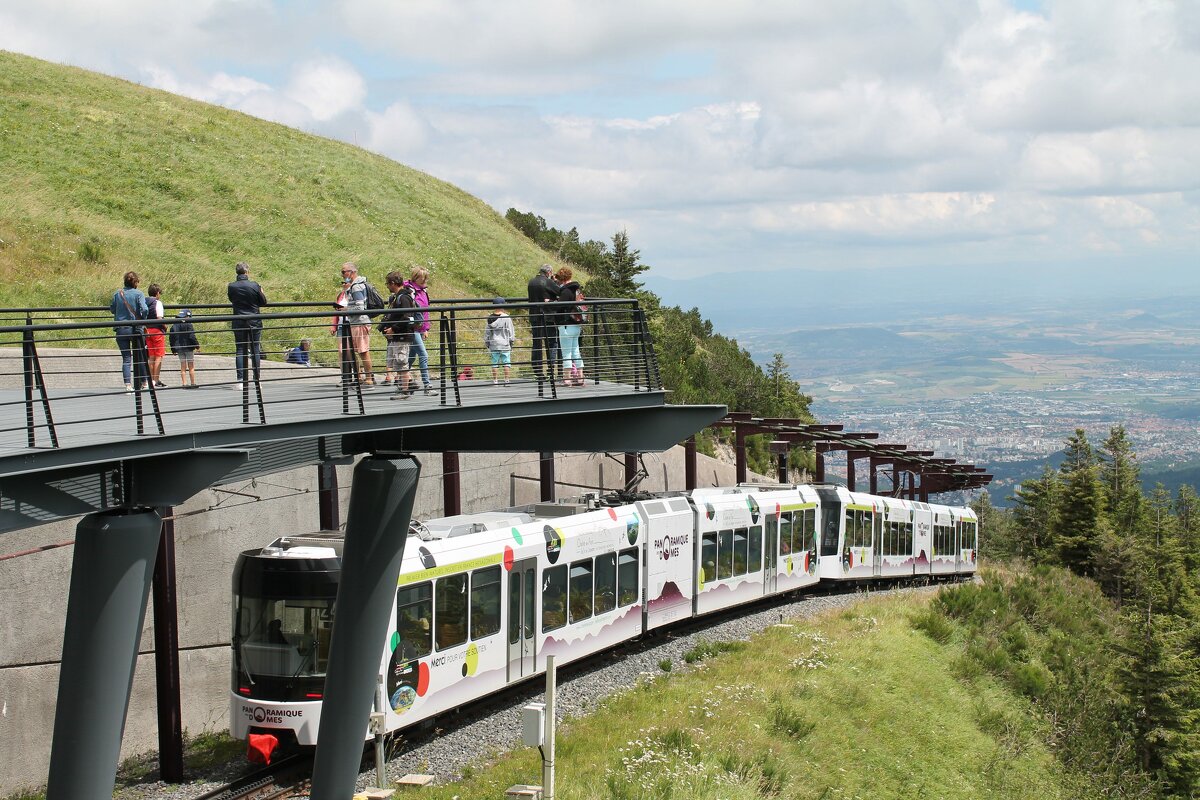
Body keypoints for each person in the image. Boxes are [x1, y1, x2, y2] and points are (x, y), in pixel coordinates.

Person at [329, 262, 374, 386]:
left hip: (359, 322)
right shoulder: (354, 286)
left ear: (352, 272)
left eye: (344, 272)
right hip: (355, 322)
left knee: (363, 351)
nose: (342, 275)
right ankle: (359, 377)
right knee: (354, 351)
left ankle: (369, 378)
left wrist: (345, 310)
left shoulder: (356, 287)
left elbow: (359, 307)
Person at [227, 262, 268, 391]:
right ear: (247, 272)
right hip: (254, 321)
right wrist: (261, 292)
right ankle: (257, 380)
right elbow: (264, 302)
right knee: (255, 349)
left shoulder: (231, 286)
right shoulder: (255, 285)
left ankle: (240, 380)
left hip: (238, 320)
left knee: (240, 349)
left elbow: (232, 300)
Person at [381, 271, 417, 399]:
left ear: (393, 283)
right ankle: (409, 383)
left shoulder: (404, 297)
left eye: (387, 283)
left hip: (402, 335)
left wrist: (394, 329)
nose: (387, 286)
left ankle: (404, 390)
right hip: (398, 335)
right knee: (398, 362)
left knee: (402, 362)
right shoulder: (398, 297)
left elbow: (407, 317)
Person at [110, 271, 149, 392]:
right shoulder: (139, 294)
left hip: (121, 329)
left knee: (126, 358)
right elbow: (145, 309)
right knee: (140, 356)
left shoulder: (117, 294)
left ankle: (128, 385)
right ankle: (144, 382)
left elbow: (112, 309)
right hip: (136, 329)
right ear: (135, 282)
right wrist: (143, 319)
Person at [526, 263, 560, 381]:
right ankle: (551, 369)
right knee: (552, 343)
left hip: (534, 315)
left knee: (537, 343)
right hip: (547, 317)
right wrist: (555, 282)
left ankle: (537, 371)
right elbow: (560, 292)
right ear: (549, 272)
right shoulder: (548, 282)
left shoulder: (532, 282)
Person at [554, 266, 585, 385]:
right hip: (576, 325)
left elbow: (560, 306)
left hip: (566, 325)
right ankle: (580, 378)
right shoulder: (576, 289)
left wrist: (552, 303)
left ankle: (567, 379)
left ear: (561, 278)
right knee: (576, 351)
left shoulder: (566, 291)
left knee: (566, 352)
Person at [405, 266, 433, 395]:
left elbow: (426, 311)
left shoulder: (423, 291)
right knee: (423, 354)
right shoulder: (410, 291)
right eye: (423, 278)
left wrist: (426, 328)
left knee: (411, 357)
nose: (425, 280)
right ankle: (427, 385)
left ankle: (403, 383)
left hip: (420, 328)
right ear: (416, 277)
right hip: (412, 328)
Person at [485, 297, 517, 385]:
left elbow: (487, 332)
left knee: (494, 363)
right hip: (505, 343)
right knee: (506, 362)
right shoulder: (506, 317)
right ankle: (506, 380)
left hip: (494, 343)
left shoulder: (490, 318)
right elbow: (511, 330)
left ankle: (495, 380)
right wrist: (512, 340)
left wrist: (487, 341)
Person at [169, 309, 200, 388]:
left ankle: (184, 383)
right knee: (191, 365)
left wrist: (173, 349)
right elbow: (191, 336)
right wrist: (197, 346)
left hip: (179, 348)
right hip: (188, 347)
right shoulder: (189, 324)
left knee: (183, 365)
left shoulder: (174, 325)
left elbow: (171, 338)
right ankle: (193, 383)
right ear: (187, 316)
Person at [145, 284, 167, 388]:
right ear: (157, 293)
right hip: (157, 331)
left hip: (147, 330)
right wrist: (165, 326)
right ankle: (156, 379)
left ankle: (150, 380)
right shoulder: (157, 303)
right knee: (159, 356)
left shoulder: (144, 302)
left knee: (151, 356)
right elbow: (159, 317)